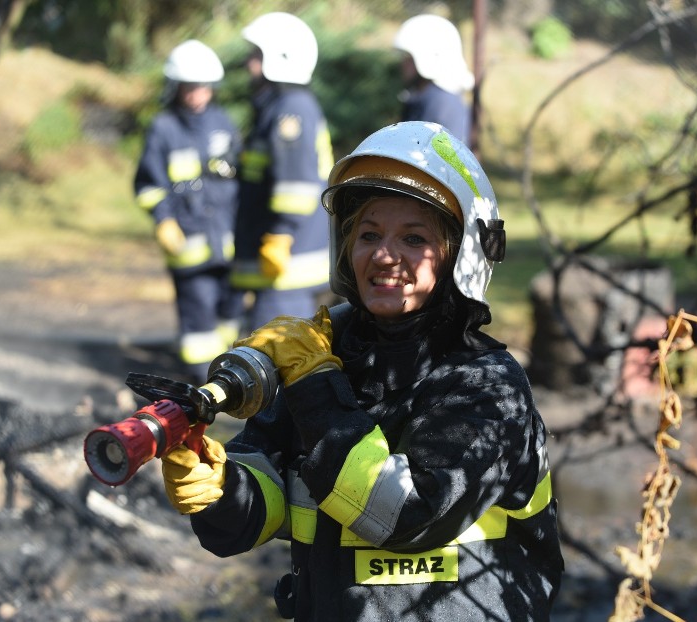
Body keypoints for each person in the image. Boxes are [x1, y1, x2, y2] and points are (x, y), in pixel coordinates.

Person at [160, 121, 564, 621]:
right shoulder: (326, 360)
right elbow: (265, 500)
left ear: (462, 256)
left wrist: (313, 383)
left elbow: (406, 517)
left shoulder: (484, 384)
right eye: (368, 234)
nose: (384, 255)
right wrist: (219, 489)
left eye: (414, 239)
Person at [133, 40, 244, 383]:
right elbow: (148, 185)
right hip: (188, 245)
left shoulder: (224, 124)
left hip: (229, 244)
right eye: (189, 87)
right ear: (176, 87)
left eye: (203, 87)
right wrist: (163, 220)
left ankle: (231, 377)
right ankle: (202, 384)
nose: (197, 94)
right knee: (198, 321)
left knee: (231, 315)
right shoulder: (163, 129)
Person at [230, 12, 334, 331]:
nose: (250, 64)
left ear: (281, 58)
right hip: (280, 264)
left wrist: (281, 235)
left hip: (287, 264)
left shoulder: (292, 109)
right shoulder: (278, 106)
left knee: (279, 361)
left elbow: (296, 185)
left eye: (257, 56)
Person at [393, 14, 475, 145]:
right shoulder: (423, 96)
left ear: (428, 58)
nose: (403, 63)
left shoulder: (441, 104)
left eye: (408, 56)